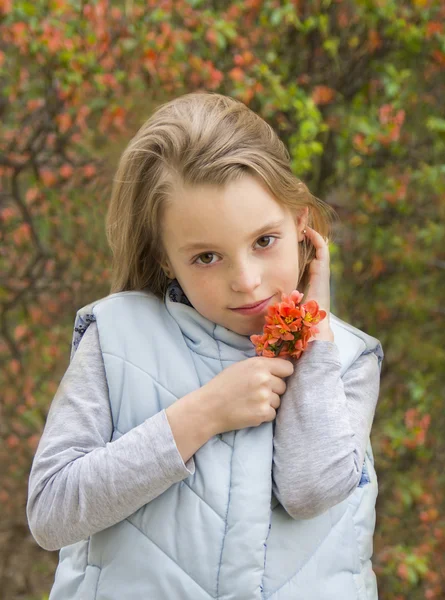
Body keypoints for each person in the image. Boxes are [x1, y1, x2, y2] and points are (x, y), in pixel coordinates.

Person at [26, 91, 384, 600]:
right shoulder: (117, 340)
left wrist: (312, 333)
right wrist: (203, 414)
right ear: (166, 258)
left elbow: (311, 490)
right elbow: (51, 512)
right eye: (207, 257)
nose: (247, 281)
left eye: (265, 241)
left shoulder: (346, 357)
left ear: (301, 223)